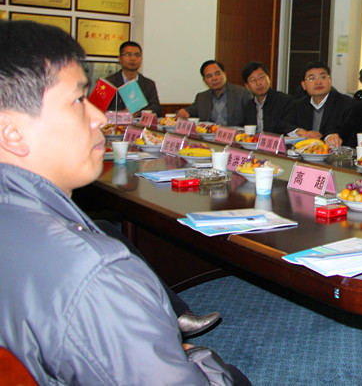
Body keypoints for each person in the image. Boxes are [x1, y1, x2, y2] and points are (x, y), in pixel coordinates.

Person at [0, 20, 248, 385]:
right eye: (79, 101)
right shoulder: (97, 275)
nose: (98, 117)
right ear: (12, 132)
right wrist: (201, 360)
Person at [280, 61, 353, 147]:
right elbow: (283, 125)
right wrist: (302, 132)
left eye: (323, 77)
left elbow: (348, 130)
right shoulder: (299, 104)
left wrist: (330, 136)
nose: (318, 82)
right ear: (304, 85)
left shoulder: (346, 103)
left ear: (330, 80)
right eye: (312, 78)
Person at [176, 60, 251, 126]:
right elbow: (188, 112)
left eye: (217, 73)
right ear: (204, 80)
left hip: (235, 136)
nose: (214, 78)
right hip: (209, 136)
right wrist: (182, 112)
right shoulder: (201, 97)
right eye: (209, 76)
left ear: (224, 74)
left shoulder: (242, 93)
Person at [107, 40, 162, 116]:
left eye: (137, 55)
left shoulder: (149, 84)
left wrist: (138, 113)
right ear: (120, 59)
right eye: (128, 55)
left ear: (141, 59)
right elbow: (100, 109)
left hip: (140, 122)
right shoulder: (109, 83)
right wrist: (123, 114)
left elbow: (156, 109)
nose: (133, 58)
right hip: (116, 123)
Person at [241, 61, 295, 133]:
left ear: (268, 78)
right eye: (253, 80)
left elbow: (288, 129)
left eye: (261, 78)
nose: (258, 83)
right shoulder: (248, 107)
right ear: (247, 86)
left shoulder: (285, 101)